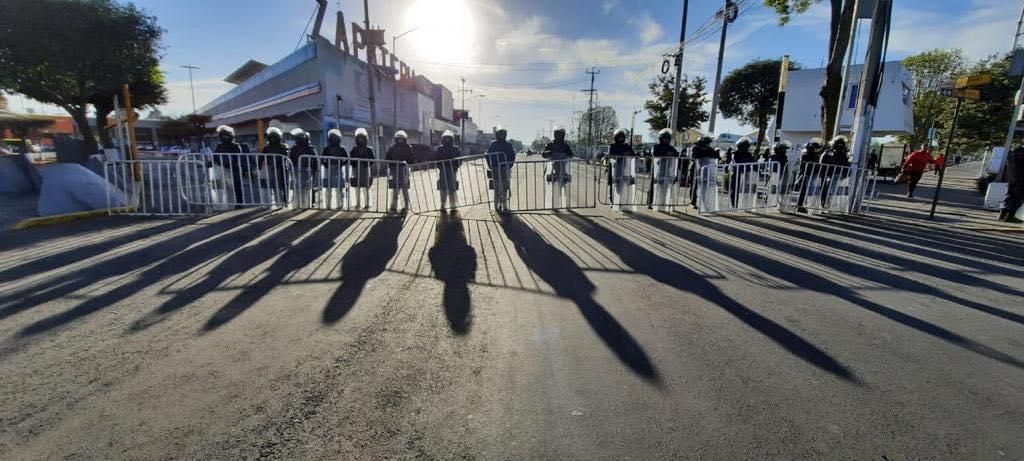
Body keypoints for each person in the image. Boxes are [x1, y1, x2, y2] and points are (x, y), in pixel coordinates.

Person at [212, 125, 250, 208]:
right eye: (222, 136)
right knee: (224, 187)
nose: (224, 138)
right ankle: (227, 203)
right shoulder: (219, 146)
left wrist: (227, 162)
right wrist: (210, 163)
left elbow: (237, 156)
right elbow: (215, 157)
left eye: (225, 136)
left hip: (234, 168)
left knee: (236, 186)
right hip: (222, 169)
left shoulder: (235, 146)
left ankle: (239, 203)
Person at [542, 127, 574, 208]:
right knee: (554, 189)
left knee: (565, 189)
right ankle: (555, 206)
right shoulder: (550, 145)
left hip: (564, 170)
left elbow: (571, 154)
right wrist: (548, 152)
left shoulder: (566, 146)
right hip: (553, 170)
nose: (558, 136)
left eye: (560, 134)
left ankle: (566, 205)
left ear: (562, 135)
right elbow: (543, 154)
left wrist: (568, 153)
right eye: (556, 134)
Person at [485, 127, 516, 212]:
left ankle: (505, 206)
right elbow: (488, 156)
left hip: (505, 168)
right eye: (500, 134)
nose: (501, 136)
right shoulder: (493, 144)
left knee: (505, 187)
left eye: (503, 134)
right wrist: (491, 166)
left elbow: (512, 156)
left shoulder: (508, 145)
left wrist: (509, 166)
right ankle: (496, 206)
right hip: (495, 168)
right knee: (497, 187)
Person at [606, 128, 637, 209]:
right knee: (614, 185)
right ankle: (613, 201)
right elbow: (611, 154)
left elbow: (633, 154)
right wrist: (623, 154)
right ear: (616, 138)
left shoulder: (627, 146)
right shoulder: (612, 146)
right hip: (615, 169)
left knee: (624, 186)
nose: (620, 139)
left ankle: (622, 202)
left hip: (625, 169)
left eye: (622, 137)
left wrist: (629, 154)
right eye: (619, 137)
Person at [650, 128, 680, 210]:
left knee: (665, 188)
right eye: (664, 138)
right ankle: (651, 202)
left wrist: (672, 154)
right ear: (660, 138)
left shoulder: (671, 147)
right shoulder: (656, 146)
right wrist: (665, 154)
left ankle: (663, 203)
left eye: (667, 139)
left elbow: (677, 154)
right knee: (655, 187)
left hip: (668, 170)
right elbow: (654, 153)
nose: (666, 140)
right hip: (658, 170)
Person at [818, 134, 851, 208]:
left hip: (837, 175)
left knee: (831, 190)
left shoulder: (844, 154)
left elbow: (847, 165)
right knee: (825, 190)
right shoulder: (829, 152)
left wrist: (846, 174)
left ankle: (828, 205)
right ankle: (825, 204)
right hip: (827, 174)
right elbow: (822, 162)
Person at [385, 130, 414, 213]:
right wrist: (391, 165)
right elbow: (387, 158)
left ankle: (406, 207)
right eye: (398, 139)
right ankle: (393, 207)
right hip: (394, 171)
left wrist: (406, 163)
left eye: (401, 139)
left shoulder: (408, 147)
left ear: (404, 139)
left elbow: (412, 159)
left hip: (404, 171)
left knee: (405, 190)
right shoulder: (392, 148)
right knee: (395, 190)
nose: (400, 140)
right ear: (396, 139)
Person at [320, 129, 348, 209]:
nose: (333, 140)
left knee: (338, 188)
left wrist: (340, 165)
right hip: (330, 170)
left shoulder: (340, 149)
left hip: (336, 169)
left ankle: (337, 205)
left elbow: (346, 158)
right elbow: (322, 158)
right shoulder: (328, 148)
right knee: (330, 188)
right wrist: (326, 165)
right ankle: (331, 205)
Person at [261, 127, 290, 205]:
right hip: (274, 168)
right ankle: (281, 202)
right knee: (278, 185)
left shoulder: (283, 146)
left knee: (283, 185)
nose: (273, 139)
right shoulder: (267, 148)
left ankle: (284, 201)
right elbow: (260, 158)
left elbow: (286, 155)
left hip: (281, 168)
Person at [289, 128, 317, 207]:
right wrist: (315, 169)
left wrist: (291, 169)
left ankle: (297, 205)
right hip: (306, 170)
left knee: (298, 188)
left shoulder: (295, 148)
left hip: (299, 170)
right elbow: (315, 160)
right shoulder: (310, 148)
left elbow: (290, 159)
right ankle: (306, 205)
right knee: (306, 188)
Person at [435, 130, 462, 212]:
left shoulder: (455, 149)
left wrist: (456, 166)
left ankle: (453, 206)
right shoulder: (440, 149)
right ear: (443, 139)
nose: (447, 140)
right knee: (443, 188)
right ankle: (443, 205)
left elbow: (459, 159)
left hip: (452, 170)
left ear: (451, 139)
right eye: (445, 138)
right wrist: (440, 166)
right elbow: (436, 158)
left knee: (452, 188)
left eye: (448, 138)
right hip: (443, 170)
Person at [349, 127, 375, 210]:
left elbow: (372, 159)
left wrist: (366, 164)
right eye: (359, 138)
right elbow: (351, 159)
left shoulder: (369, 149)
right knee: (356, 187)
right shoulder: (354, 149)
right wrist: (355, 164)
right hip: (356, 170)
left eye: (362, 138)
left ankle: (367, 204)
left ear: (365, 138)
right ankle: (357, 204)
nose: (360, 140)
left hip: (365, 169)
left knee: (366, 187)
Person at [795, 137, 823, 213]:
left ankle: (812, 206)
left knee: (813, 191)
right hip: (805, 175)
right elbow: (804, 166)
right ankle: (800, 206)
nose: (815, 150)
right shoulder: (804, 155)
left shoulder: (816, 156)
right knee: (803, 191)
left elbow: (817, 165)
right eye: (814, 148)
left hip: (813, 175)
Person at [689, 135, 718, 208]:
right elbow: (694, 156)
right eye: (707, 143)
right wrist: (706, 153)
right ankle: (693, 202)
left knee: (705, 187)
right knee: (694, 186)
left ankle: (705, 204)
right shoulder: (695, 148)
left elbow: (715, 156)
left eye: (709, 143)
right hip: (695, 169)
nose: (708, 145)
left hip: (706, 171)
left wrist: (716, 152)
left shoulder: (709, 149)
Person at [729, 137, 756, 208]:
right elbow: (737, 162)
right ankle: (734, 205)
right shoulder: (735, 154)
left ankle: (745, 206)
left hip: (746, 174)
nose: (747, 148)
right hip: (737, 173)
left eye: (747, 146)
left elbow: (753, 162)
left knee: (746, 190)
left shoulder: (749, 154)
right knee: (735, 190)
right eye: (746, 146)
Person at [999, 146, 1024, 223]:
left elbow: (1008, 164)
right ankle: (1010, 216)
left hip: (1011, 176)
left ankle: (1002, 213)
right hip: (1021, 177)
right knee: (1018, 196)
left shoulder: (1015, 151)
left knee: (1009, 194)